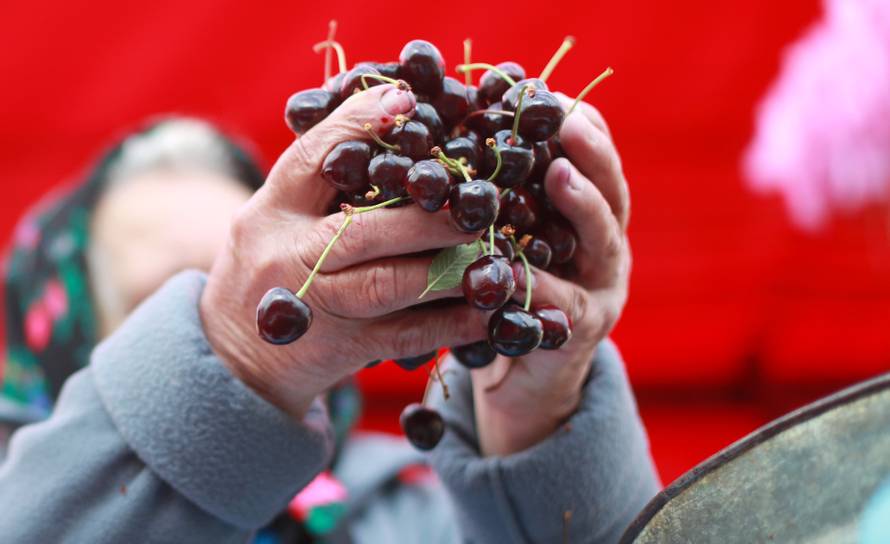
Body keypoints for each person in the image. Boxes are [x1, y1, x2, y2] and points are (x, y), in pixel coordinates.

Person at [0, 83, 659, 543]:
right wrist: (234, 359)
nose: (235, 300)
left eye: (246, 268)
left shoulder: (408, 514)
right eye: (171, 302)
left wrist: (534, 428)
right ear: (60, 331)